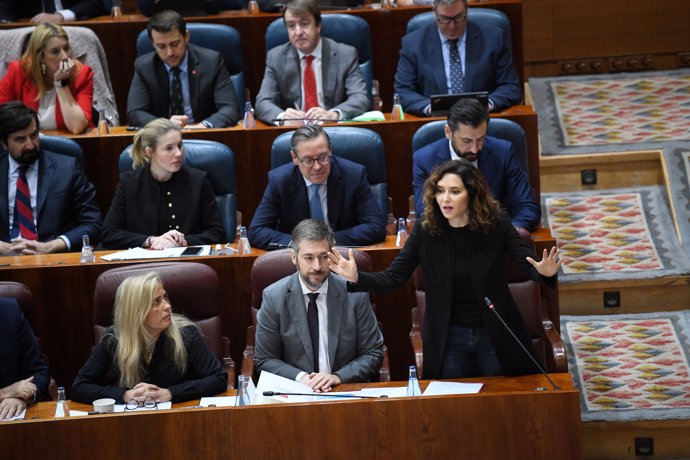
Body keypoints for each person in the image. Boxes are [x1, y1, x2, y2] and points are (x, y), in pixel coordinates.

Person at [329, 159, 561, 379]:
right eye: (440, 191)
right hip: (448, 337)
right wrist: (357, 277)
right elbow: (393, 277)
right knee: (453, 406)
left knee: (502, 401)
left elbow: (528, 264)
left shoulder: (497, 225)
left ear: (472, 194)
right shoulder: (425, 231)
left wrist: (545, 272)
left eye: (455, 191)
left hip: (495, 332)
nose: (445, 199)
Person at [254, 219, 384, 392]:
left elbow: (373, 353)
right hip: (296, 393)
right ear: (294, 257)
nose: (317, 266)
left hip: (343, 390)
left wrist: (338, 376)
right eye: (308, 258)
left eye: (323, 257)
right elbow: (264, 359)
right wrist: (301, 378)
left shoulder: (355, 294)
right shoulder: (274, 297)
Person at [71, 272, 228, 404]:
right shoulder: (114, 339)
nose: (167, 306)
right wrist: (124, 395)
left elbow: (219, 379)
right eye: (156, 302)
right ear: (136, 312)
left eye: (165, 298)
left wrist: (171, 393)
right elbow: (80, 387)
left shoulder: (186, 334)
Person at [248, 124, 386, 250]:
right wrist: (300, 244)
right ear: (294, 158)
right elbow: (256, 231)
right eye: (308, 160)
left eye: (323, 157)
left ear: (330, 150)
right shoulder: (279, 180)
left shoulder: (354, 174)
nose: (317, 166)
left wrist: (327, 242)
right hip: (299, 263)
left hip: (342, 255)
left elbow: (376, 227)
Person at [413, 98, 540, 232]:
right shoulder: (424, 159)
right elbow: (424, 213)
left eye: (480, 139)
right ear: (448, 132)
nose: (474, 149)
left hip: (495, 236)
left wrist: (508, 235)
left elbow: (527, 208)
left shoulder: (504, 152)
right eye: (466, 141)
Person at [101, 118, 225, 249]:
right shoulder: (130, 183)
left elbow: (217, 232)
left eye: (180, 145)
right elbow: (109, 233)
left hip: (188, 262)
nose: (178, 153)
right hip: (143, 264)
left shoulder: (198, 181)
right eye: (169, 148)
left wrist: (182, 241)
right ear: (150, 152)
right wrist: (150, 240)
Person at [0, 102, 102, 255]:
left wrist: (50, 246)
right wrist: (4, 249)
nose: (30, 145)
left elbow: (93, 223)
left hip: (53, 260)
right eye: (20, 140)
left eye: (34, 135)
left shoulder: (67, 168)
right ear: (3, 144)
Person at [394, 0, 521, 116]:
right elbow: (403, 92)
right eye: (444, 19)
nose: (452, 26)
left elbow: (510, 87)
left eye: (459, 17)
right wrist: (429, 108)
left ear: (467, 10)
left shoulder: (493, 39)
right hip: (436, 122)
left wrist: (489, 104)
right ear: (435, 12)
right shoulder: (413, 44)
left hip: (481, 121)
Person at [254, 0, 370, 125]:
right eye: (291, 26)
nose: (298, 32)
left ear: (318, 26)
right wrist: (283, 117)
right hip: (294, 133)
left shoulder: (345, 54)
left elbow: (360, 98)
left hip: (333, 129)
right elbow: (263, 102)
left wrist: (333, 114)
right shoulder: (276, 57)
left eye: (304, 24)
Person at [127, 9, 240, 130]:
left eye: (175, 44)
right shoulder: (144, 66)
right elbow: (135, 113)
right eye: (161, 47)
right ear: (153, 44)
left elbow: (230, 108)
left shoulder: (212, 61)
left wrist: (204, 125)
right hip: (162, 139)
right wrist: (165, 125)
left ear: (186, 36)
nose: (170, 53)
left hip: (204, 135)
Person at [0, 23, 93, 134]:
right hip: (28, 146)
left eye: (66, 48)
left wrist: (60, 84)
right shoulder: (18, 72)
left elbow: (77, 127)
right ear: (40, 57)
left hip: (70, 145)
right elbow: (2, 117)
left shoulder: (81, 74)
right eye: (55, 51)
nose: (65, 56)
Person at [0, 297, 50, 421]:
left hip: (14, 417)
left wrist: (22, 396)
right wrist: (4, 393)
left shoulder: (8, 311)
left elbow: (39, 372)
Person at [0, 0, 106, 23]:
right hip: (31, 37)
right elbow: (5, 13)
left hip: (72, 27)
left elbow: (94, 3)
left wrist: (61, 16)